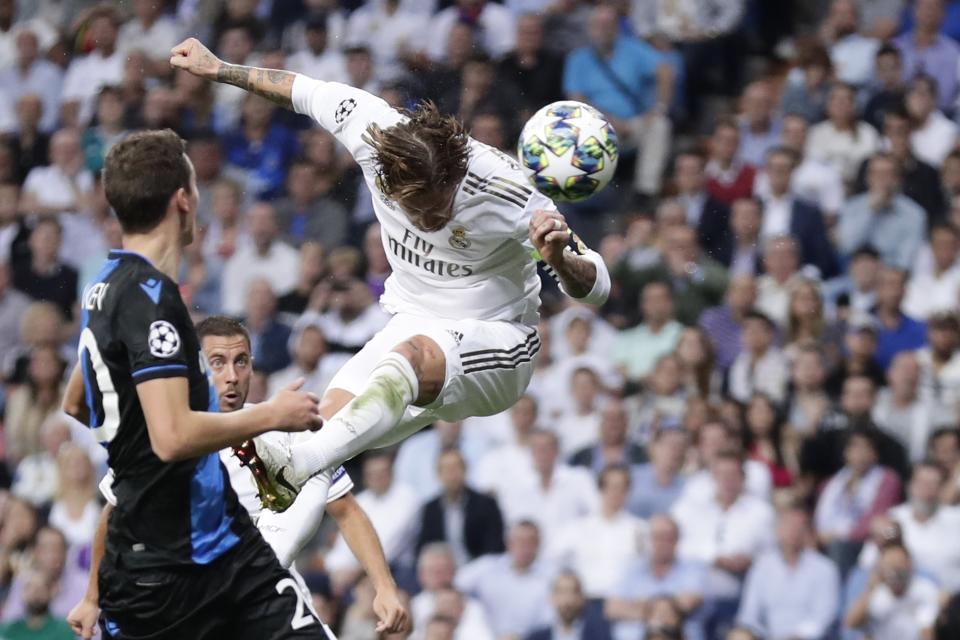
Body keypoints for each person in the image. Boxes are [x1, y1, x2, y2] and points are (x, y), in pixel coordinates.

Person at [169, 36, 609, 512]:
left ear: (454, 176)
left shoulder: (508, 191)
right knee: (323, 421)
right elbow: (299, 89)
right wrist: (220, 69)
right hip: (412, 321)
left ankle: (295, 469)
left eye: (435, 208)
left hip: (499, 343)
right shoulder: (370, 127)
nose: (424, 221)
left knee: (395, 372)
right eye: (412, 210)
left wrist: (560, 258)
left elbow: (598, 287)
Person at [60, 130, 326, 639]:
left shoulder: (107, 285)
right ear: (183, 199)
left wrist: (135, 446)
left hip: (228, 548)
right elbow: (173, 437)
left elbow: (78, 400)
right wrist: (273, 413)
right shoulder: (147, 299)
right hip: (161, 573)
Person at [735, 508, 840, 640]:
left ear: (807, 532)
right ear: (778, 530)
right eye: (788, 526)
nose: (793, 532)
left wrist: (797, 636)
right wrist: (750, 633)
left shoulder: (825, 569)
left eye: (798, 527)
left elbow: (823, 617)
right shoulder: (762, 567)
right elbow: (750, 614)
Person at [548, 465, 647, 599]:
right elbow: (553, 561)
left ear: (628, 492)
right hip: (585, 601)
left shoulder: (640, 529)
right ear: (600, 489)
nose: (616, 493)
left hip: (624, 602)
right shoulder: (577, 528)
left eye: (622, 488)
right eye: (611, 487)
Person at [605, 514, 705, 640]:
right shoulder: (631, 568)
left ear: (677, 540)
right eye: (657, 537)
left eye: (668, 538)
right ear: (649, 539)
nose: (662, 543)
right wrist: (663, 611)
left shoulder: (693, 567)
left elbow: (688, 603)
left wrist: (638, 605)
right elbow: (612, 608)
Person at [455, 521, 554, 639]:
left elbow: (550, 621)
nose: (524, 546)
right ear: (508, 543)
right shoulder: (486, 567)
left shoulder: (552, 575)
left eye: (530, 541)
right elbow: (452, 586)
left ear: (538, 544)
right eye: (519, 541)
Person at [416, 449, 506, 565]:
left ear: (465, 470)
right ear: (438, 475)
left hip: (478, 569)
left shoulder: (486, 504)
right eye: (446, 469)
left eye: (456, 468)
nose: (452, 474)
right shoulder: (430, 509)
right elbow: (424, 547)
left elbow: (494, 547)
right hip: (442, 571)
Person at [845, 543, 940, 640]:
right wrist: (870, 588)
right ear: (881, 568)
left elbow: (927, 631)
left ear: (910, 564)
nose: (895, 570)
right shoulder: (875, 593)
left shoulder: (924, 588)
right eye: (890, 565)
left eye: (899, 564)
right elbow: (851, 623)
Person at [526, 571, 613, 640]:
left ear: (582, 598)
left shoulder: (601, 636)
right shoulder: (536, 637)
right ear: (552, 598)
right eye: (561, 592)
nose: (567, 600)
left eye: (573, 592)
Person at [0, 569, 74, 640]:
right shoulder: (8, 630)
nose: (35, 594)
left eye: (40, 589)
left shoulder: (63, 629)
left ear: (51, 593)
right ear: (23, 593)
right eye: (30, 588)